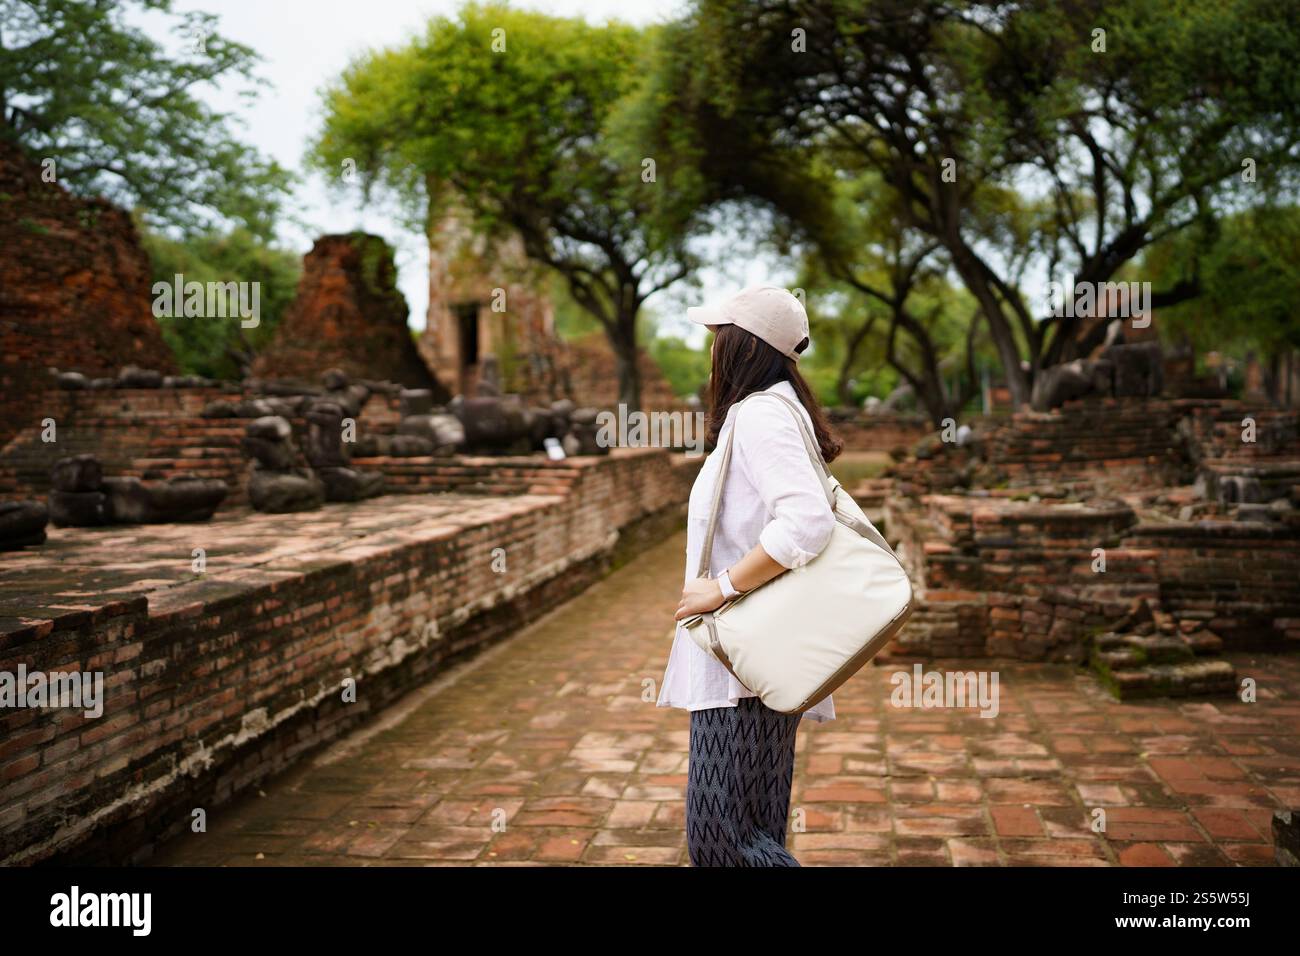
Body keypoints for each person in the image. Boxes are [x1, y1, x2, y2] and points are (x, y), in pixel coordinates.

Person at [656, 284, 843, 867]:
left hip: (741, 657)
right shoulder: (776, 408)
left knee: (720, 841)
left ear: (742, 345)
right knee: (755, 832)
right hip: (758, 654)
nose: (711, 351)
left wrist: (722, 586)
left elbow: (808, 521)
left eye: (717, 337)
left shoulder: (761, 415)